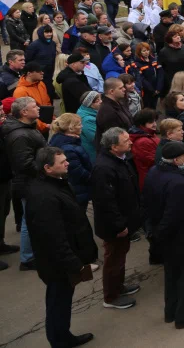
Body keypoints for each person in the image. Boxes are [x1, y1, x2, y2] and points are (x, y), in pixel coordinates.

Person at [25, 146, 98, 347]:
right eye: (62, 162)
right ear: (48, 168)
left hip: (64, 260)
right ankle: (60, 340)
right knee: (58, 303)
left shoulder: (56, 183)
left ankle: (63, 336)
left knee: (61, 301)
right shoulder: (45, 196)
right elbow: (53, 238)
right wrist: (74, 264)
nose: (68, 163)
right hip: (59, 265)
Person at [142, 140, 184, 329]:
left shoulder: (155, 172)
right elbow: (173, 216)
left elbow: (148, 205)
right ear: (175, 159)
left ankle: (171, 311)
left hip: (168, 240)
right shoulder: (178, 183)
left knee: (172, 275)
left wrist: (155, 235)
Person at [91, 127, 142, 310]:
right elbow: (105, 201)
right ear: (113, 147)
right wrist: (119, 225)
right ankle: (111, 297)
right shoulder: (104, 168)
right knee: (113, 260)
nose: (130, 142)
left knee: (120, 257)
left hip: (125, 219)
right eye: (126, 141)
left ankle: (119, 287)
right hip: (114, 225)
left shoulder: (119, 159)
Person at [3, 97, 46, 270]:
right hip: (28, 182)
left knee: (32, 218)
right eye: (34, 106)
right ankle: (28, 258)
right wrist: (46, 168)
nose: (38, 108)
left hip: (31, 181)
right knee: (30, 220)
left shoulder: (25, 128)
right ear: (24, 112)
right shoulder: (20, 135)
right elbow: (25, 164)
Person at [47, 113, 93, 209]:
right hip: (77, 191)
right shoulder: (68, 148)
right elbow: (77, 172)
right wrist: (93, 178)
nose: (82, 126)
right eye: (79, 124)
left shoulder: (64, 141)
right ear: (71, 128)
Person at [94, 77, 132, 154]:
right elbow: (113, 139)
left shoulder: (118, 102)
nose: (124, 89)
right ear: (111, 91)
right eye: (120, 88)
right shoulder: (107, 111)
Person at [57, 53, 91, 118]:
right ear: (73, 64)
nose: (85, 64)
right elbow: (85, 96)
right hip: (77, 113)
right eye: (82, 62)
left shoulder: (78, 75)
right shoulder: (71, 80)